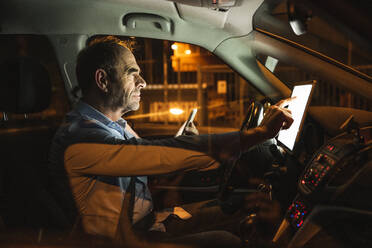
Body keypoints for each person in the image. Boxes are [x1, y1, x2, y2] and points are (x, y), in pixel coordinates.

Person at [49, 36, 293, 247]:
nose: (142, 82)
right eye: (132, 74)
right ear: (103, 81)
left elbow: (147, 161)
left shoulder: (114, 125)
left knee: (238, 206)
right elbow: (154, 155)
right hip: (125, 241)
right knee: (225, 242)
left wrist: (182, 147)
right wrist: (258, 134)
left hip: (148, 222)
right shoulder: (79, 137)